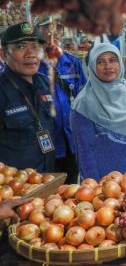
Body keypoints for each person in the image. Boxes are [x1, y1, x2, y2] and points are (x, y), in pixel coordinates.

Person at [70, 43, 126, 181]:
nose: (108, 66)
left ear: (120, 62)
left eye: (112, 60)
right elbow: (84, 153)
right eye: (100, 62)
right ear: (92, 66)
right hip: (106, 182)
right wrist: (94, 186)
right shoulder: (83, 103)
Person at [0, 22, 56, 172]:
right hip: (14, 189)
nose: (31, 53)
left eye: (36, 47)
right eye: (21, 47)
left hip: (48, 179)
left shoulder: (47, 84)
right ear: (4, 54)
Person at [37, 13, 86, 183]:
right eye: (47, 27)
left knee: (72, 190)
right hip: (44, 146)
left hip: (72, 143)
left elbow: (84, 99)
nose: (53, 32)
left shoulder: (73, 63)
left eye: (58, 27)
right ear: (38, 30)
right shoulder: (31, 66)